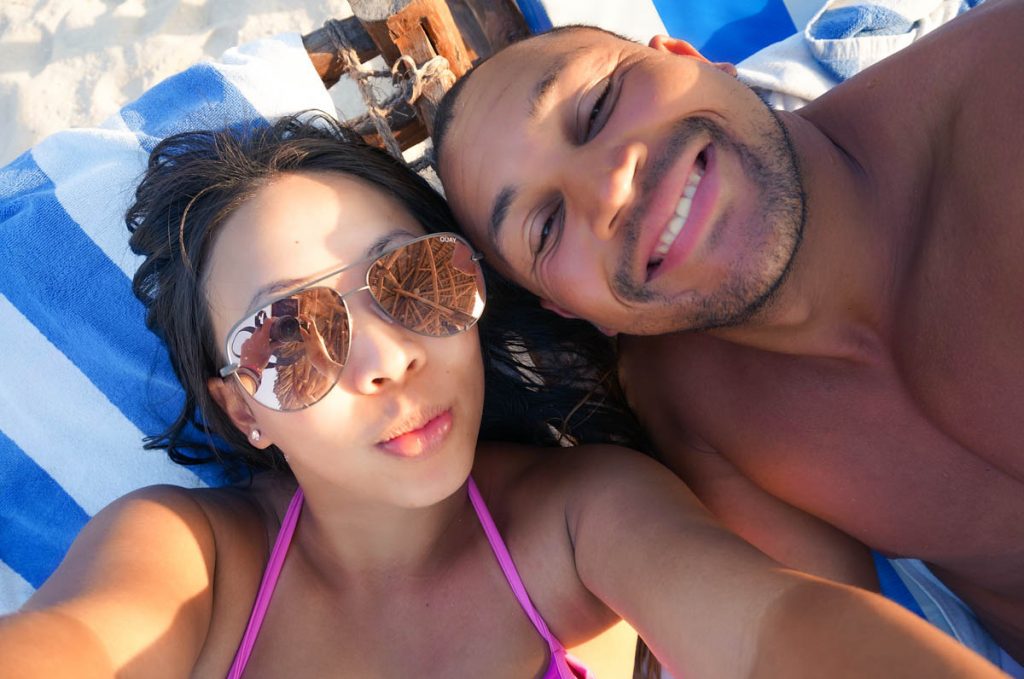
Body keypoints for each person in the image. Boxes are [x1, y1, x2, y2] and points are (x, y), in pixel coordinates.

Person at [0, 113, 1006, 679]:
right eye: (289, 336)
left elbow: (762, 628)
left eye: (416, 280)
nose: (386, 361)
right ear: (241, 408)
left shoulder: (581, 521)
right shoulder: (191, 560)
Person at [431, 0, 1024, 669]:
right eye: (546, 226)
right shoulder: (694, 404)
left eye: (597, 108)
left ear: (690, 58)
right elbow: (810, 643)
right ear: (572, 307)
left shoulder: (1005, 92)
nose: (610, 188)